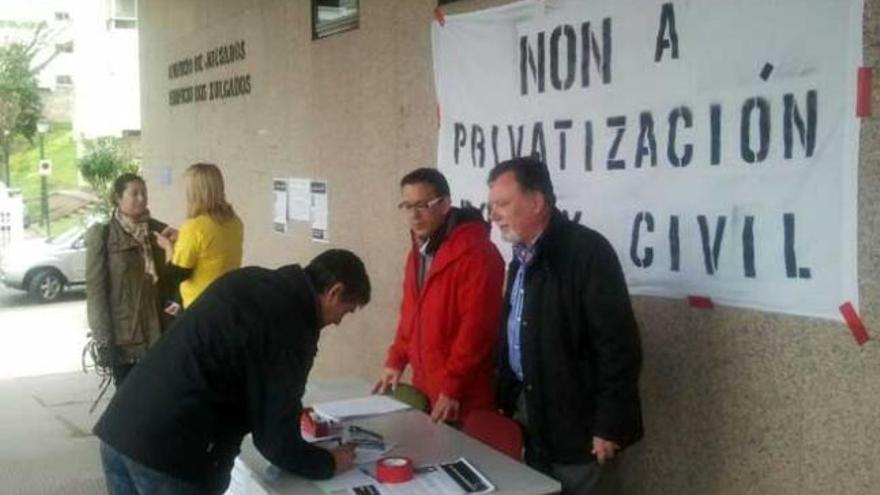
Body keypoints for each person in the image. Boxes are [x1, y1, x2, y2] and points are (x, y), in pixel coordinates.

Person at [94, 249, 371, 495]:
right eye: (344, 312)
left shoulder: (252, 280)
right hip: (170, 457)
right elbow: (276, 443)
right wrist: (329, 463)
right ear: (334, 291)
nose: (336, 322)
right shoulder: (290, 323)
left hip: (122, 429)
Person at [488, 156, 643, 495]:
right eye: (491, 206)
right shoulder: (521, 257)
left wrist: (610, 425)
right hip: (531, 415)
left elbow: (618, 348)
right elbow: (516, 330)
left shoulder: (587, 253)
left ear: (537, 201)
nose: (494, 215)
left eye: (502, 204)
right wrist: (507, 394)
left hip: (580, 427)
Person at [373, 168, 504, 423]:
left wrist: (453, 386)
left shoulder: (478, 255)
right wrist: (396, 359)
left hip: (463, 396)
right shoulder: (418, 253)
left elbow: (477, 331)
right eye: (407, 206)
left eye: (423, 205)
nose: (414, 215)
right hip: (428, 388)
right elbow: (410, 315)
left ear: (445, 204)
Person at [85, 173, 176, 386]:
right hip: (126, 338)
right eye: (134, 193)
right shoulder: (104, 236)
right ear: (118, 198)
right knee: (129, 402)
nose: (141, 198)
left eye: (144, 193)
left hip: (161, 334)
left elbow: (174, 282)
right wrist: (103, 339)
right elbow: (96, 291)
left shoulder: (160, 231)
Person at [154, 162, 244, 309]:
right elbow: (210, 249)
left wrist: (168, 247)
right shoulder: (234, 221)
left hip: (201, 307)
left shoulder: (194, 227)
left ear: (195, 192)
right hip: (228, 301)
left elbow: (176, 276)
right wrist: (181, 237)